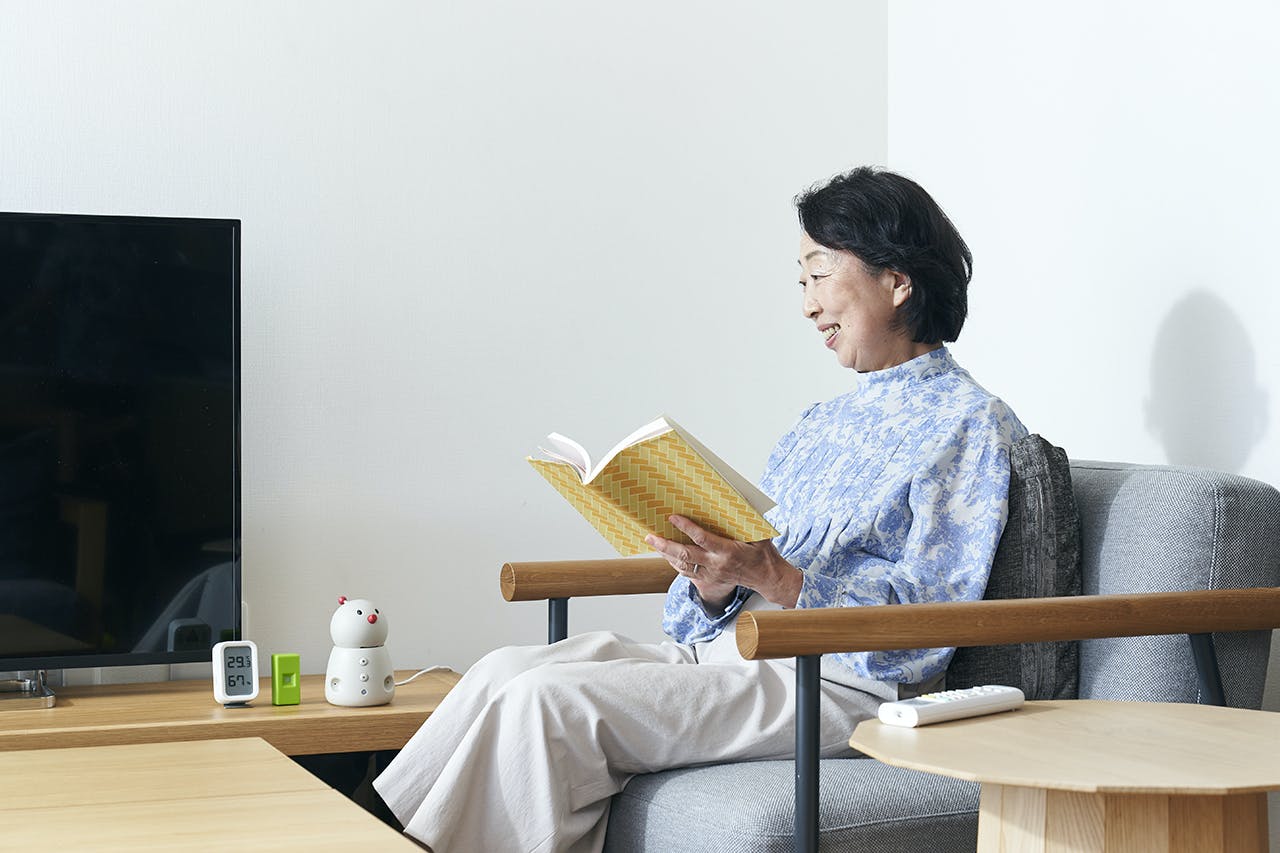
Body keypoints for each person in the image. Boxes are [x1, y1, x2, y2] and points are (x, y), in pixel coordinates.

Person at [374, 166, 1028, 852]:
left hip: (841, 683)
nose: (808, 305)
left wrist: (781, 581)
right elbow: (739, 584)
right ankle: (373, 834)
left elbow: (932, 620)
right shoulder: (819, 422)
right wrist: (715, 581)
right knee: (505, 669)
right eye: (800, 282)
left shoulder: (970, 426)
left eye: (819, 274)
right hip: (727, 651)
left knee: (548, 707)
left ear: (897, 281)